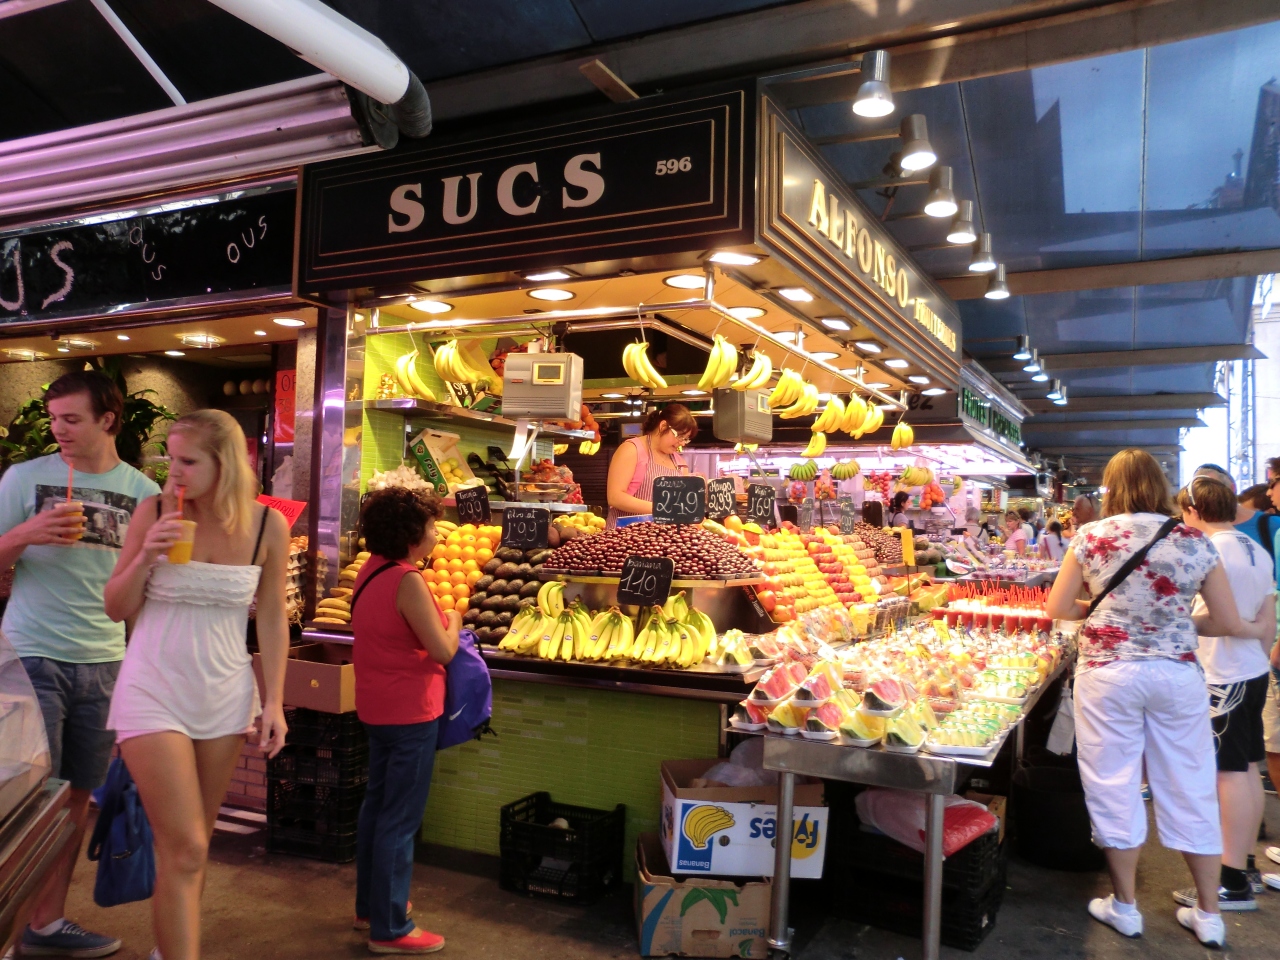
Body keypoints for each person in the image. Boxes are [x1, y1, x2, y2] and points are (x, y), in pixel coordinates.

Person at [1045, 449, 1275, 948]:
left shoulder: (1091, 536)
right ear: (1162, 486)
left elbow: (1057, 607)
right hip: (1177, 675)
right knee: (1191, 784)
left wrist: (1104, 611)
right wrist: (1169, 621)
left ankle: (1125, 906)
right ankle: (1210, 914)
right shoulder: (1193, 540)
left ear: (1111, 488)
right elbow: (1226, 621)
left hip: (1107, 672)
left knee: (1114, 782)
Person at [103, 410, 289, 960]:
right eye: (171, 458)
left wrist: (275, 701)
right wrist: (146, 555)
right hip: (152, 688)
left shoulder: (267, 525)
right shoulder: (155, 512)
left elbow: (272, 616)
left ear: (224, 464)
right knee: (185, 847)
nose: (174, 472)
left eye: (188, 461)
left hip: (224, 692)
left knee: (194, 849)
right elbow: (115, 606)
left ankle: (169, 949)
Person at [0, 371, 160, 958]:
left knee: (75, 799)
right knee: (22, 801)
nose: (58, 430)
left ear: (107, 420)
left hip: (105, 658)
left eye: (71, 419)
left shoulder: (143, 491)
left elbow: (144, 590)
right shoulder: (23, 478)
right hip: (31, 655)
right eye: (53, 419)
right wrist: (26, 532)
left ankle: (47, 924)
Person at [350, 487, 460, 954]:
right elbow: (442, 650)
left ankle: (370, 907)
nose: (437, 534)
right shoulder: (407, 580)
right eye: (432, 526)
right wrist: (454, 618)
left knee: (377, 808)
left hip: (376, 707)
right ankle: (391, 928)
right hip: (411, 712)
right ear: (412, 534)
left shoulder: (370, 569)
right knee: (400, 819)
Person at [1175, 477, 1276, 909]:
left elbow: (1218, 620)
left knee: (1228, 773)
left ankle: (1232, 881)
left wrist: (1176, 619)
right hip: (1253, 670)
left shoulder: (1208, 550)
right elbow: (1267, 621)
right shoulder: (1256, 549)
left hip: (1223, 675)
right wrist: (1250, 636)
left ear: (1193, 511)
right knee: (1247, 768)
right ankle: (1244, 865)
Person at [605, 403, 695, 527]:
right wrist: (661, 509)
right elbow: (615, 497)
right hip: (625, 533)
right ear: (663, 426)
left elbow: (682, 506)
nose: (682, 443)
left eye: (686, 439)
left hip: (663, 536)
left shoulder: (680, 463)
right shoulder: (631, 449)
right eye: (680, 436)